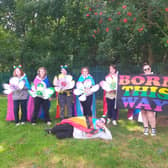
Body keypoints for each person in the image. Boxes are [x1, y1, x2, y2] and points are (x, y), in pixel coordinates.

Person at [45, 116, 112, 140]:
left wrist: (104, 127)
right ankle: (51, 130)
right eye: (100, 119)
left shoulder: (99, 132)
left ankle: (54, 132)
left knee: (58, 136)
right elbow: (81, 120)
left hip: (74, 135)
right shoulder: (91, 120)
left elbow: (109, 137)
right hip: (74, 127)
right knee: (61, 127)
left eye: (102, 122)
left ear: (104, 124)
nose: (100, 121)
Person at [141, 63, 156, 136]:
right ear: (143, 71)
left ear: (150, 69)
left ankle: (153, 129)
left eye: (148, 69)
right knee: (143, 112)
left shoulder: (155, 77)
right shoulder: (141, 77)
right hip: (142, 98)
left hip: (151, 98)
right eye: (145, 69)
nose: (147, 70)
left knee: (150, 113)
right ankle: (146, 127)